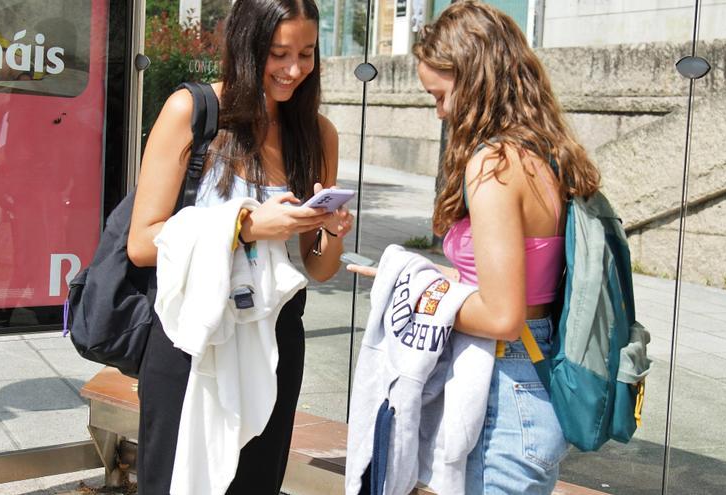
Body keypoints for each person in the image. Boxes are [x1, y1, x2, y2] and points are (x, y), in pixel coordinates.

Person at [348, 1, 600, 493]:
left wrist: (414, 291)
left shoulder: (495, 165)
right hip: (531, 374)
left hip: (505, 384)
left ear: (475, 80)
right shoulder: (543, 153)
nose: (440, 111)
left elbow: (503, 315)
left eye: (440, 95)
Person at [126, 0, 352, 491]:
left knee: (255, 482)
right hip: (191, 336)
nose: (294, 70)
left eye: (307, 54)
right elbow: (143, 243)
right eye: (278, 53)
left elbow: (318, 269)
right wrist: (245, 226)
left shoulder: (317, 134)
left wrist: (329, 230)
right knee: (174, 481)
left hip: (275, 338)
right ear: (247, 47)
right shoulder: (194, 112)